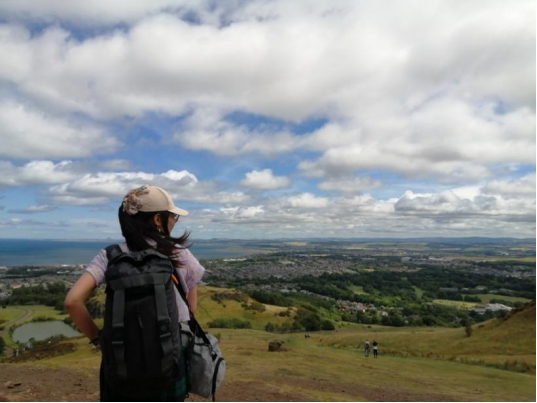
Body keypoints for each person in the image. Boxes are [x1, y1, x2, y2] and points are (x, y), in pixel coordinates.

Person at [64, 185, 205, 401]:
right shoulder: (178, 254)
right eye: (173, 217)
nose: (173, 222)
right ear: (158, 219)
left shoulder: (110, 254)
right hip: (169, 359)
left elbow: (73, 302)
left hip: (121, 361)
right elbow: (190, 308)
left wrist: (99, 340)